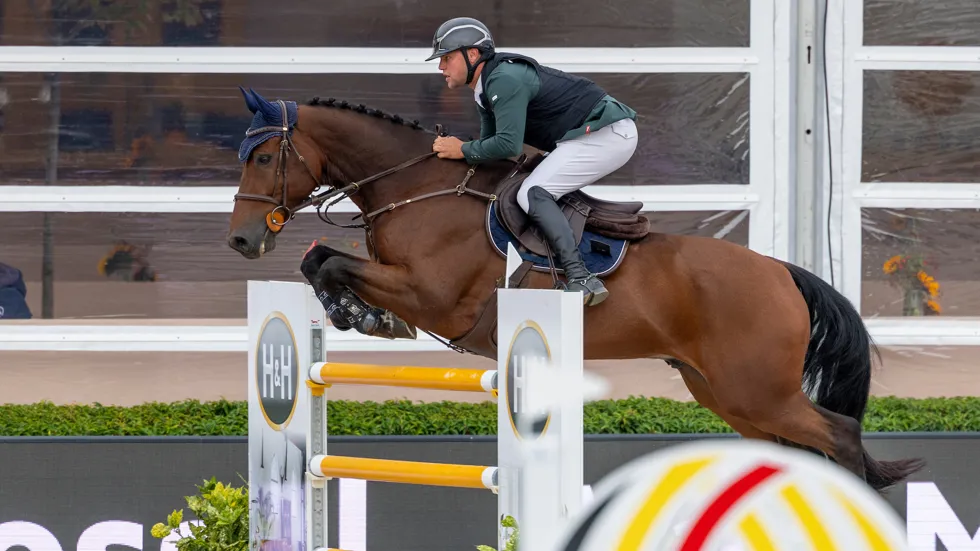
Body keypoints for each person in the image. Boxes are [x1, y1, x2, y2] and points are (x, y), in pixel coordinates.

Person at [426, 17, 638, 306]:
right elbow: (492, 149)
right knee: (530, 187)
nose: (441, 67)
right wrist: (463, 151)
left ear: (472, 54)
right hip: (587, 136)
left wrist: (462, 149)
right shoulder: (485, 88)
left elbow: (507, 145)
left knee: (533, 192)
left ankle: (581, 277)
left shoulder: (503, 79)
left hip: (607, 134)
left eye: (447, 58)